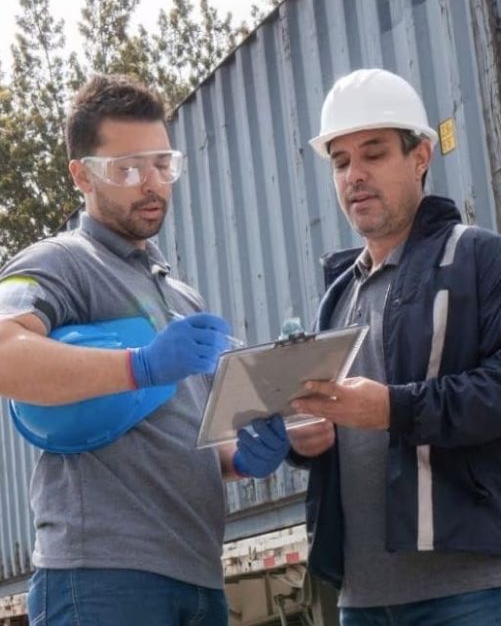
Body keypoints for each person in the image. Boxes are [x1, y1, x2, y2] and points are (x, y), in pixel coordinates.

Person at [0, 74, 290, 625]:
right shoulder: (59, 262)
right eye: (127, 169)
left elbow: (178, 433)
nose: (151, 183)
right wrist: (141, 365)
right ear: (81, 175)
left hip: (198, 573)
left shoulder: (178, 293)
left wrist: (241, 457)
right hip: (103, 576)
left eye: (162, 165)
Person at [288, 68, 501, 625]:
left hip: (469, 587)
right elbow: (338, 434)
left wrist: (393, 408)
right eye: (341, 163)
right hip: (361, 598)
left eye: (374, 154)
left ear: (421, 156)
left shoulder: (484, 260)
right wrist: (304, 440)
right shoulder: (337, 298)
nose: (355, 176)